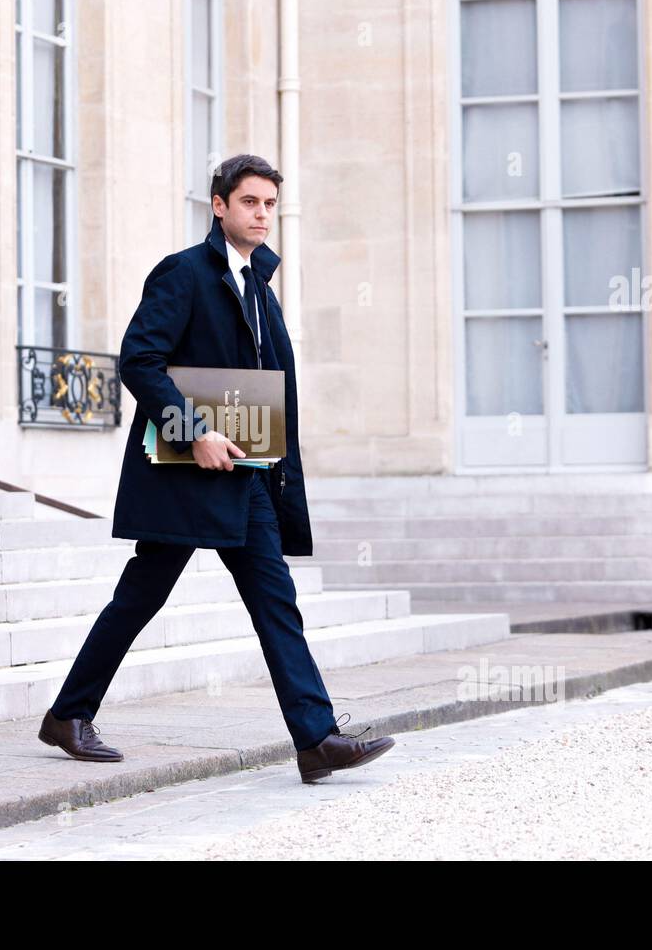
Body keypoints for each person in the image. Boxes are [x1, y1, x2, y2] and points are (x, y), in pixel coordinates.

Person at [38, 154, 394, 783]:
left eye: (269, 205)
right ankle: (68, 714)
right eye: (249, 202)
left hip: (245, 474)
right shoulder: (183, 273)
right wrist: (193, 431)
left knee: (275, 600)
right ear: (219, 205)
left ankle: (317, 741)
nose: (261, 214)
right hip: (182, 473)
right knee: (140, 597)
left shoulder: (260, 283)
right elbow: (139, 362)